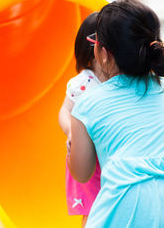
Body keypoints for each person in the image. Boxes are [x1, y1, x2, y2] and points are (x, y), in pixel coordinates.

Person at [68, 0, 164, 227]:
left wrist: (73, 148)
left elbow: (82, 174)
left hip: (128, 205)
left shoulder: (87, 105)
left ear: (103, 53)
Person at [59, 12, 104, 227]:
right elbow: (65, 111)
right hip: (88, 158)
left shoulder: (123, 77)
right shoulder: (84, 83)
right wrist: (70, 131)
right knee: (93, 210)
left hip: (112, 155)